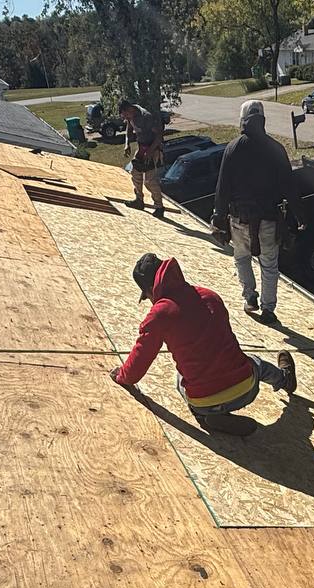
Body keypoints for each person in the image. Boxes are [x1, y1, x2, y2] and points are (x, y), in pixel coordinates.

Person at [111, 253, 297, 435]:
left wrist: (122, 376)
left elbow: (139, 360)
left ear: (151, 289)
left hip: (204, 400)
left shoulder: (159, 315)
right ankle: (284, 379)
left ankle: (206, 417)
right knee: (255, 362)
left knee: (180, 378)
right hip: (246, 388)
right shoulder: (210, 296)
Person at [211, 99, 302, 326]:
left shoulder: (233, 148)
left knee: (241, 257)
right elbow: (290, 188)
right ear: (263, 119)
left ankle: (250, 298)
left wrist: (217, 217)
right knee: (269, 265)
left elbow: (223, 187)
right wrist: (301, 218)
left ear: (242, 120)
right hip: (269, 220)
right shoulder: (276, 149)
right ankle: (268, 310)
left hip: (239, 219)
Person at [119, 100, 165, 216]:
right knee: (135, 174)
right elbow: (129, 129)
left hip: (153, 149)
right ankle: (139, 201)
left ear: (129, 109)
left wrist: (149, 152)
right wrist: (127, 144)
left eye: (126, 115)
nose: (126, 118)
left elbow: (159, 136)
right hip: (141, 147)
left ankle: (159, 207)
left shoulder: (146, 117)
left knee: (149, 181)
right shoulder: (131, 116)